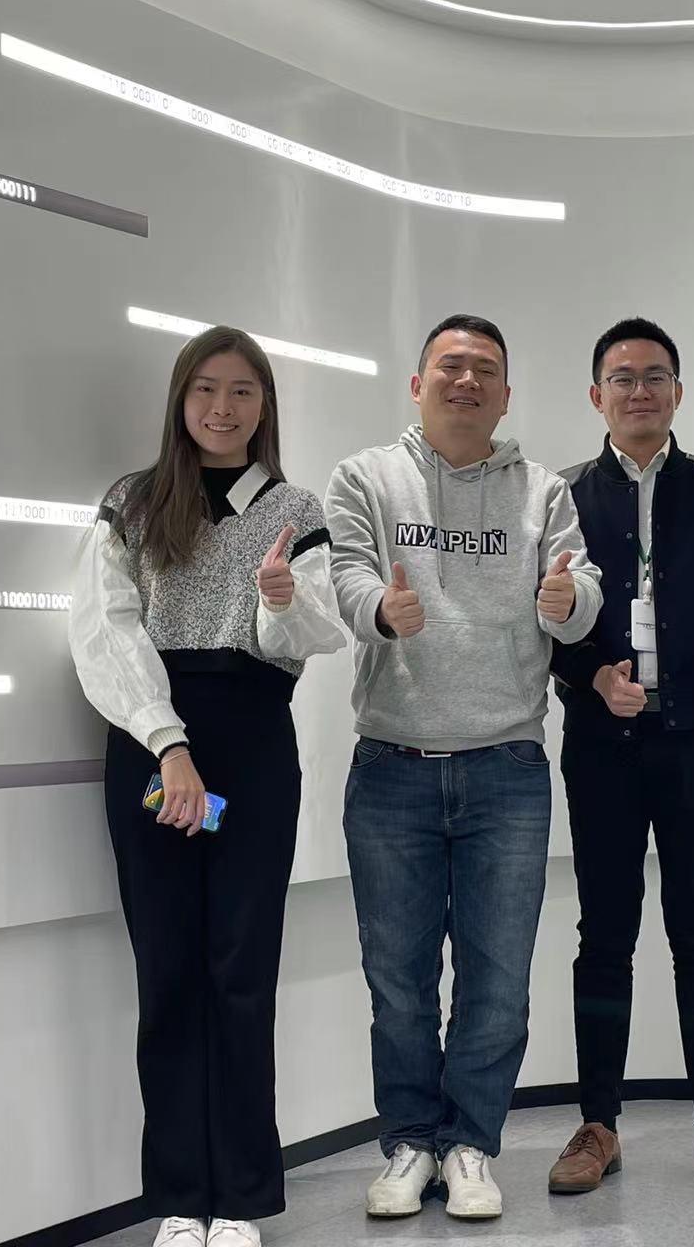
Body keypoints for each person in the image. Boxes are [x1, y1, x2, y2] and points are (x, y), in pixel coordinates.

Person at [69, 326, 348, 1247]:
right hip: (155, 747)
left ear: (264, 406)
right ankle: (179, 1200)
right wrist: (166, 741)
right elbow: (104, 630)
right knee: (168, 972)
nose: (222, 409)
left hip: (253, 747)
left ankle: (240, 1201)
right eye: (205, 390)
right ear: (179, 400)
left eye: (241, 392)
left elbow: (314, 634)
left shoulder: (293, 507)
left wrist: (278, 598)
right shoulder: (134, 501)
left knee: (240, 972)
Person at [323, 314, 601, 1222]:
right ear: (418, 384)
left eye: (485, 370)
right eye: (450, 366)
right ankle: (409, 1144)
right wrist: (379, 610)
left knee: (497, 980)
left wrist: (567, 599)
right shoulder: (365, 477)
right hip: (391, 765)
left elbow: (582, 590)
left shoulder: (543, 490)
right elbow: (346, 573)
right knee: (397, 981)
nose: (467, 380)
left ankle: (471, 1145)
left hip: (506, 767)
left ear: (505, 395)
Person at [546, 318, 694, 1197]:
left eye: (655, 377)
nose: (639, 391)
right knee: (603, 935)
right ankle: (596, 1125)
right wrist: (586, 674)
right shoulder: (563, 497)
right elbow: (541, 615)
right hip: (602, 747)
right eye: (622, 378)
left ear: (677, 393)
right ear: (596, 395)